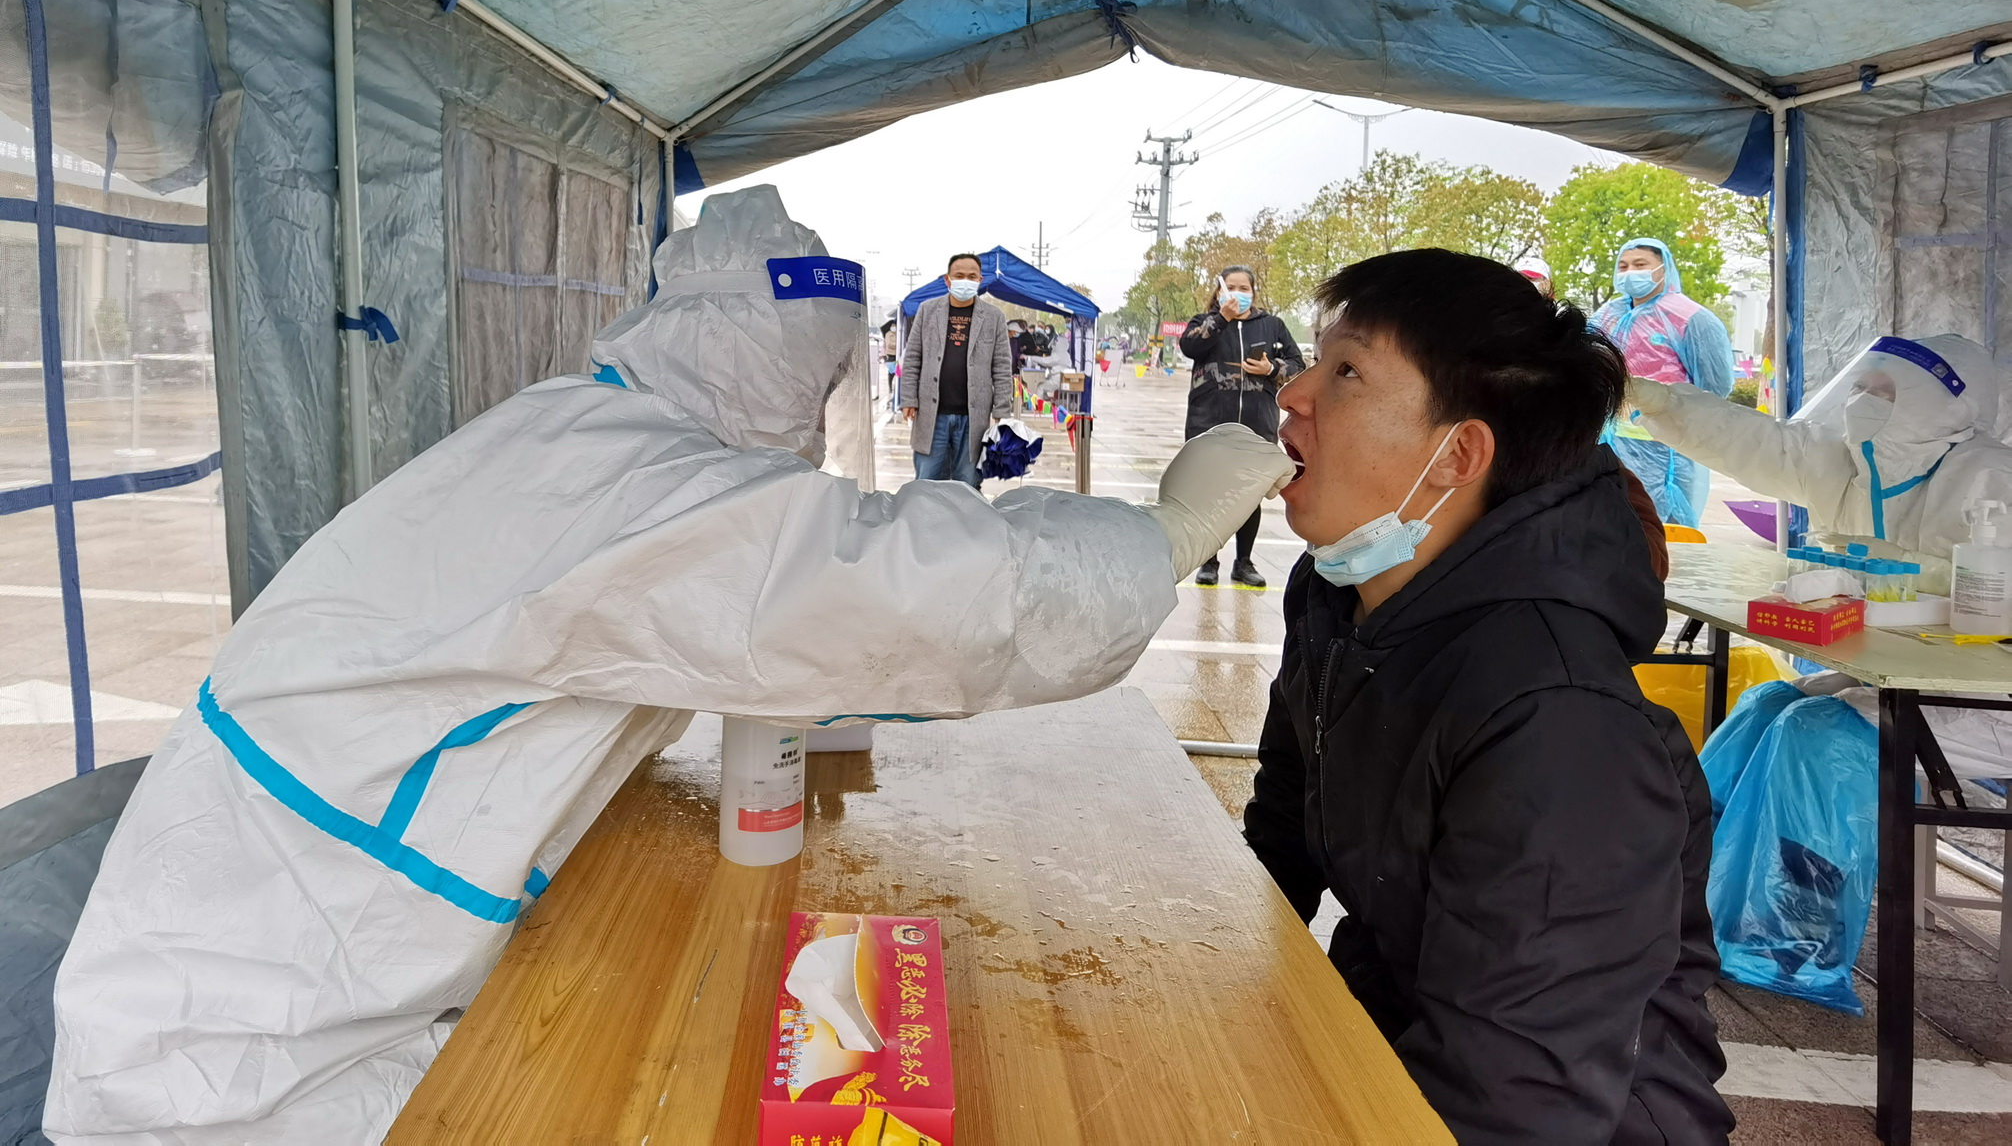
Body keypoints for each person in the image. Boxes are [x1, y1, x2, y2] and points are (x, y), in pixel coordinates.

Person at [44, 187, 1295, 1146]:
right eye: (803, 377)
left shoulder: (581, 430)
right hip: (241, 1049)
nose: (807, 413)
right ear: (755, 358)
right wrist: (1156, 539)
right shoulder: (630, 484)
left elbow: (785, 626)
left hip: (323, 955)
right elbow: (895, 591)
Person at [1243, 249, 1731, 1143]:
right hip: (1387, 1045)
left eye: (1345, 369)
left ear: (1458, 453)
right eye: (1315, 359)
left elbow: (1518, 1099)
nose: (1296, 392)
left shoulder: (1560, 721)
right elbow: (1282, 832)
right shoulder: (1340, 599)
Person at [1631, 333, 2012, 561]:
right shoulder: (1848, 461)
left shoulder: (1989, 476)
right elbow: (1750, 440)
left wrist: (1918, 569)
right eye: (1860, 388)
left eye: (1884, 392)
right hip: (1865, 664)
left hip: (1959, 688)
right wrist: (1665, 403)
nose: (1862, 402)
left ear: (1947, 405)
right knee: (1767, 700)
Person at [1589, 238, 1734, 527]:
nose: (1630, 272)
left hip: (1668, 448)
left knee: (1665, 531)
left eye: (1640, 265)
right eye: (1624, 266)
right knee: (1611, 526)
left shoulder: (1691, 319)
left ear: (1663, 269)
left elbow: (1715, 386)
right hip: (1611, 443)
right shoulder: (1605, 317)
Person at [1178, 265, 1306, 588]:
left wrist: (1270, 367)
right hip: (1209, 422)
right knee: (1208, 493)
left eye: (1244, 288)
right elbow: (1189, 347)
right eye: (1230, 287)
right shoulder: (1204, 322)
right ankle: (1207, 561)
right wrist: (1221, 318)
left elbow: (1297, 364)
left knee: (1250, 495)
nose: (1238, 293)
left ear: (1253, 292)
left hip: (1256, 422)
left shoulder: (1272, 325)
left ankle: (1243, 562)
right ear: (1220, 291)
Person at [901, 253, 1012, 487]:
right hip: (933, 415)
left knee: (968, 483)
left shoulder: (993, 317)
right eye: (959, 276)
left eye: (972, 276)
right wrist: (909, 398)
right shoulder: (927, 311)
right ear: (947, 280)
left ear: (980, 280)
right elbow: (912, 358)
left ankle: (965, 523)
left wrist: (1002, 409)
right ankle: (925, 523)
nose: (966, 281)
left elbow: (1002, 366)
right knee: (927, 482)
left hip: (974, 418)